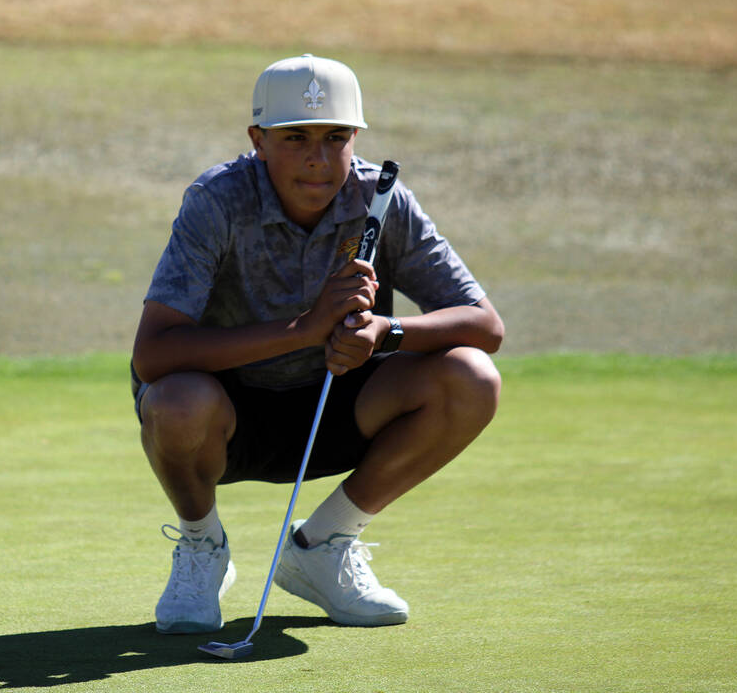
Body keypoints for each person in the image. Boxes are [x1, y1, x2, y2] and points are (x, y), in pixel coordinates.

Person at [131, 54, 504, 634]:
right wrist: (304, 329)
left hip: (343, 402)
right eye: (294, 137)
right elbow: (152, 354)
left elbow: (486, 326)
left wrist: (387, 334)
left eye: (336, 137)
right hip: (230, 417)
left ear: (355, 137)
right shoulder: (217, 201)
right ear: (258, 139)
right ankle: (203, 547)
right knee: (173, 400)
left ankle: (322, 547)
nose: (318, 157)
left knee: (472, 376)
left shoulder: (381, 198)